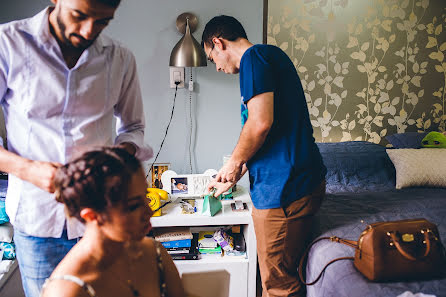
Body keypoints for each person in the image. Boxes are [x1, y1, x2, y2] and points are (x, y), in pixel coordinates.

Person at [0, 0, 152, 296]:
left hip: (103, 221)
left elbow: (134, 129)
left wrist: (116, 160)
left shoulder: (120, 59)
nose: (87, 31)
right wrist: (28, 170)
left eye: (103, 22)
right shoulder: (7, 44)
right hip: (37, 222)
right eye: (79, 16)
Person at [203, 16, 327, 297]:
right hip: (288, 182)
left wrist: (233, 164)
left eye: (213, 59)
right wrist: (232, 173)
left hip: (285, 189)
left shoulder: (255, 57)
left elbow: (259, 124)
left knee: (277, 286)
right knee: (279, 276)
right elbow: (264, 134)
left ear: (218, 42)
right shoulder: (265, 60)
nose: (219, 68)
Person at [41, 147, 184, 297]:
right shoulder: (67, 290)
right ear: (92, 216)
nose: (149, 211)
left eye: (146, 196)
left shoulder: (154, 252)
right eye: (133, 206)